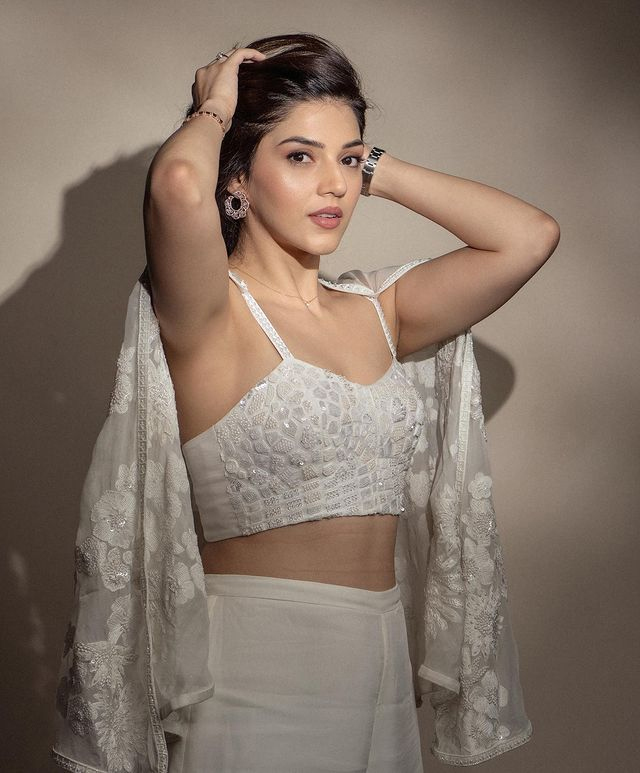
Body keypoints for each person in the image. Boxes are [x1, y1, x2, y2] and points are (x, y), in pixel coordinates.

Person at [52, 33, 559, 773]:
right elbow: (179, 185)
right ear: (238, 179)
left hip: (381, 669)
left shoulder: (379, 310)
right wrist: (215, 107)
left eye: (346, 162)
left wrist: (366, 162)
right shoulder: (209, 311)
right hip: (258, 669)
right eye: (299, 157)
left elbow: (529, 237)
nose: (334, 186)